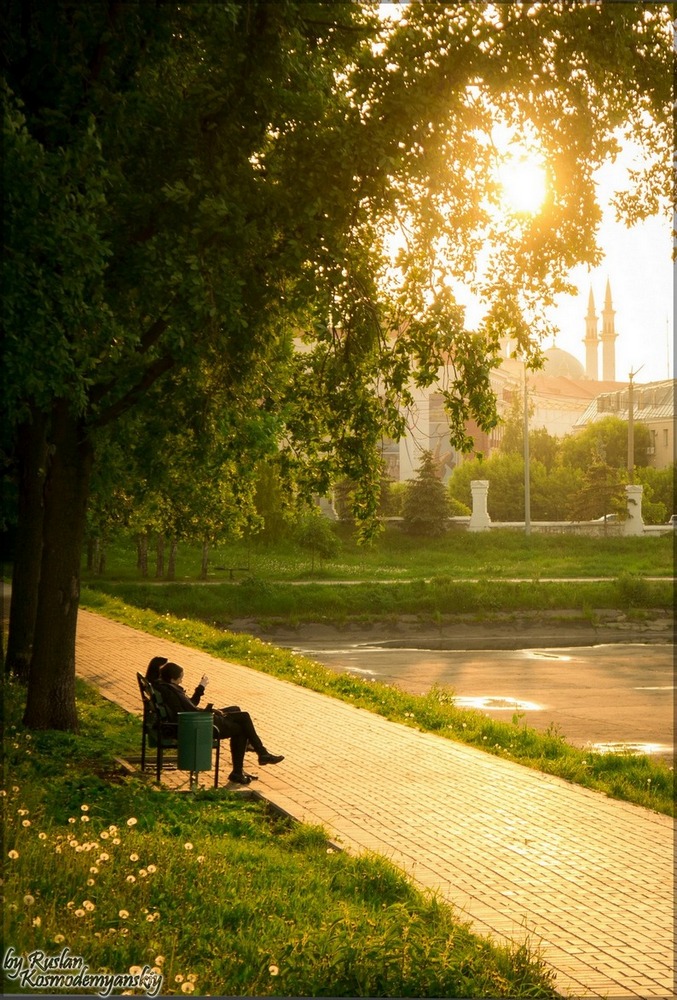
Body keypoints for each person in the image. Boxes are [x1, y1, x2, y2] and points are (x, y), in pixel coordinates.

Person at [154, 661, 284, 785]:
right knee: (243, 722)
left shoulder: (167, 687)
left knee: (236, 709)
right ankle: (256, 756)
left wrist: (201, 688)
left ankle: (255, 754)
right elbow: (192, 710)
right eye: (180, 678)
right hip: (198, 726)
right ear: (172, 679)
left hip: (192, 721)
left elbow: (190, 706)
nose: (181, 680)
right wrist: (211, 711)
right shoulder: (172, 691)